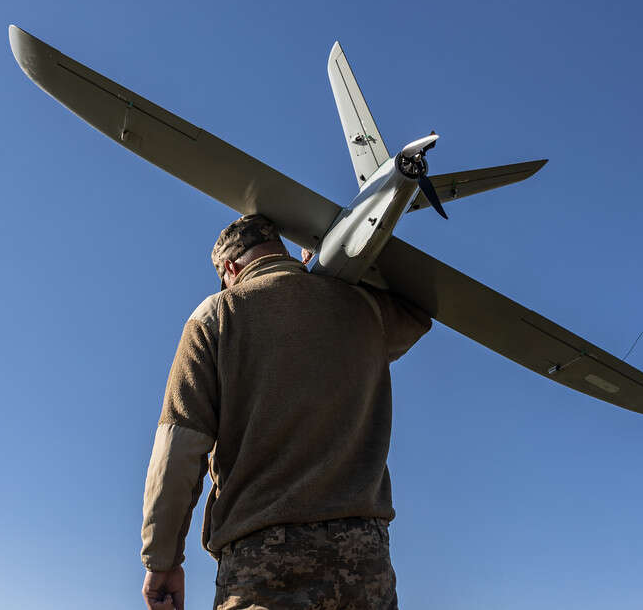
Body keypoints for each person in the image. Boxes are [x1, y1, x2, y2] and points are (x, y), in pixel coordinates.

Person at [141, 214, 432, 609]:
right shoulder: (363, 307)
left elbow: (178, 450)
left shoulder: (216, 315)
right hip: (365, 563)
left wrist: (163, 562)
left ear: (230, 268)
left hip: (264, 564)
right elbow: (418, 313)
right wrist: (345, 269)